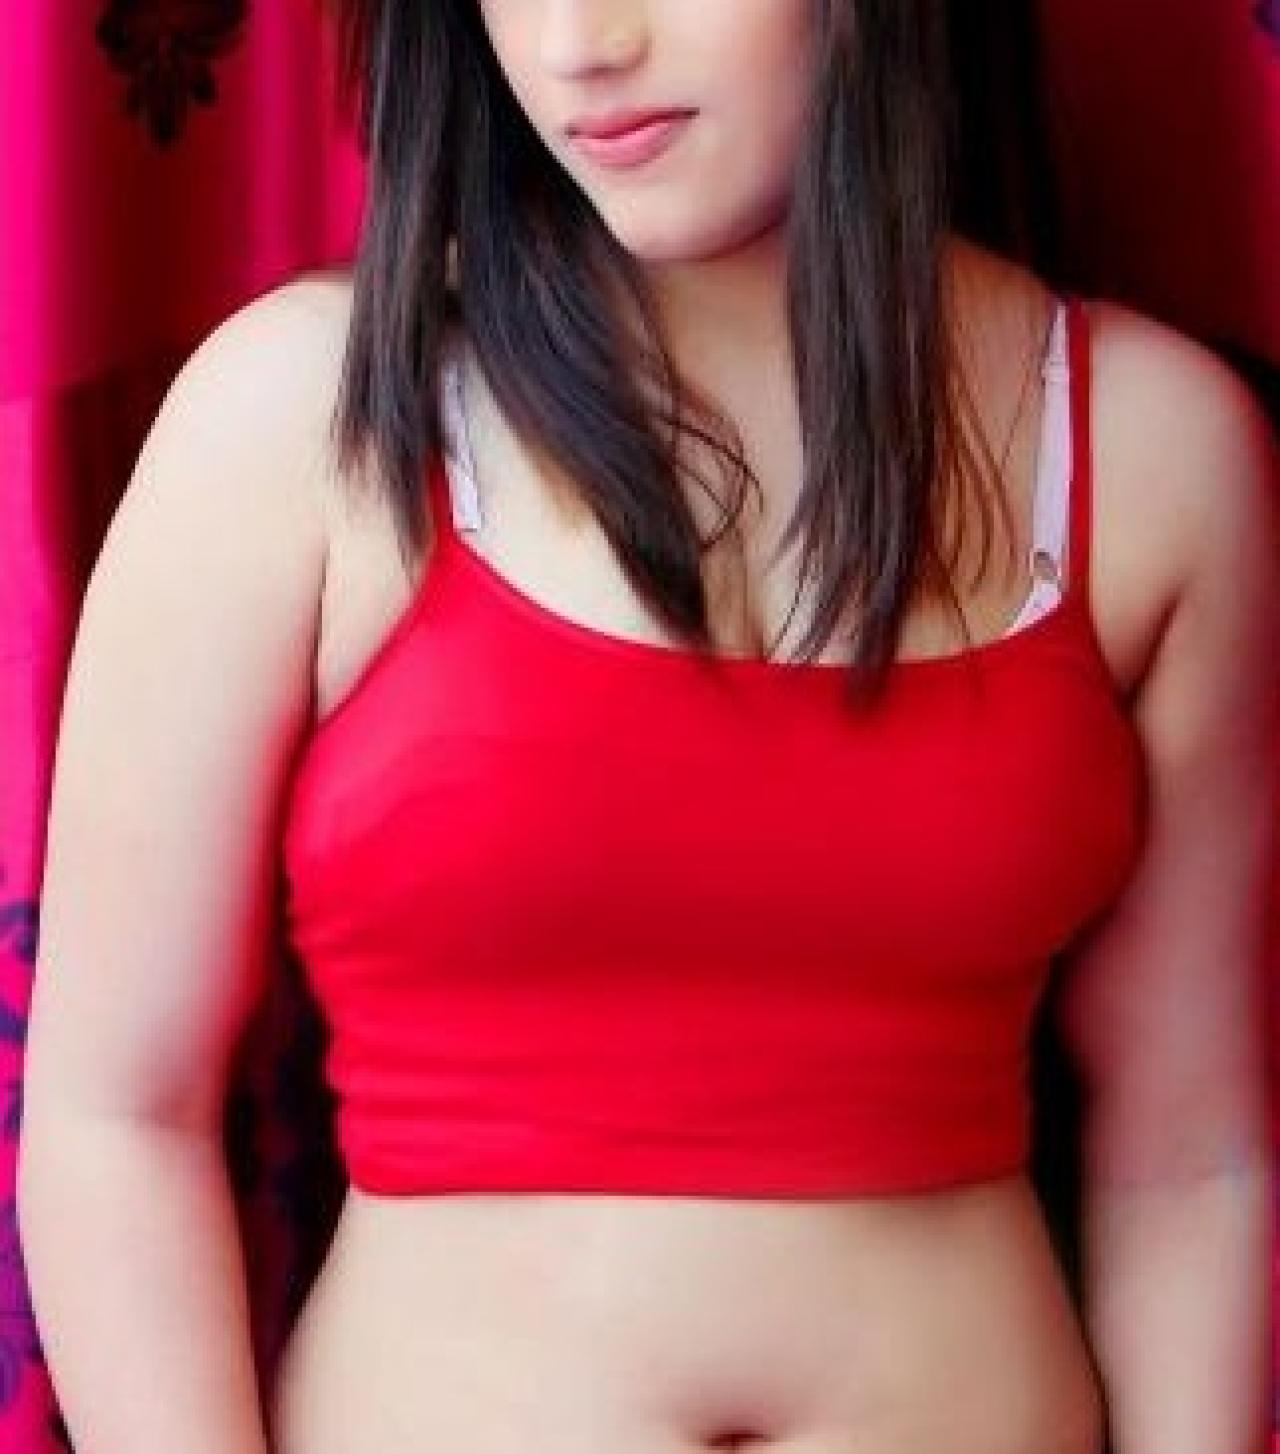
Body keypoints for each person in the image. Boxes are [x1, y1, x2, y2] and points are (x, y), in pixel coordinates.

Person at [17, 1, 1278, 1451]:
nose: (577, 45)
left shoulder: (1154, 455)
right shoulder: (305, 417)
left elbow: (1189, 1154)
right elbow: (116, 1113)